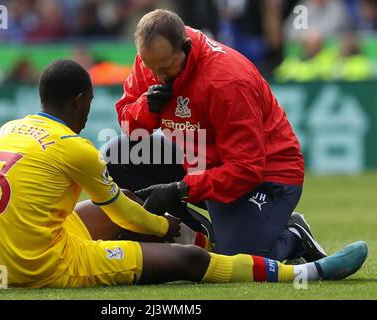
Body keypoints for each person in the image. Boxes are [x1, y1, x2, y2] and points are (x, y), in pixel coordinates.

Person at [0, 59, 367, 288]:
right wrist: (169, 231)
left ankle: (206, 235)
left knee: (123, 195)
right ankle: (306, 271)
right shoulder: (75, 147)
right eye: (89, 103)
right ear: (79, 101)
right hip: (45, 266)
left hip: (1, 261)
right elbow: (125, 217)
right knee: (190, 260)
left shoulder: (7, 130)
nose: (89, 113)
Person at [106, 9, 324, 262]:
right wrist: (147, 107)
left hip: (267, 175)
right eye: (150, 67)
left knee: (238, 260)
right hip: (200, 159)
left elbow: (246, 168)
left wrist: (180, 189)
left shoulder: (227, 81)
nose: (157, 77)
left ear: (185, 47)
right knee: (118, 155)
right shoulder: (155, 57)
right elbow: (129, 127)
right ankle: (197, 232)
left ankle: (295, 234)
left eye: (165, 68)